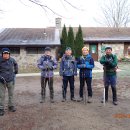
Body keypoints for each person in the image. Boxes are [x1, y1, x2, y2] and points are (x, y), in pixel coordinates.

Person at [0, 48, 18, 116]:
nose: (6, 55)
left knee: (11, 94)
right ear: (2, 54)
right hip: (2, 81)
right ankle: (1, 108)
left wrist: (16, 71)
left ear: (9, 54)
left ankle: (11, 106)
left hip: (11, 80)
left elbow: (16, 64)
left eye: (7, 54)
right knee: (1, 95)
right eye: (4, 54)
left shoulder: (12, 59)